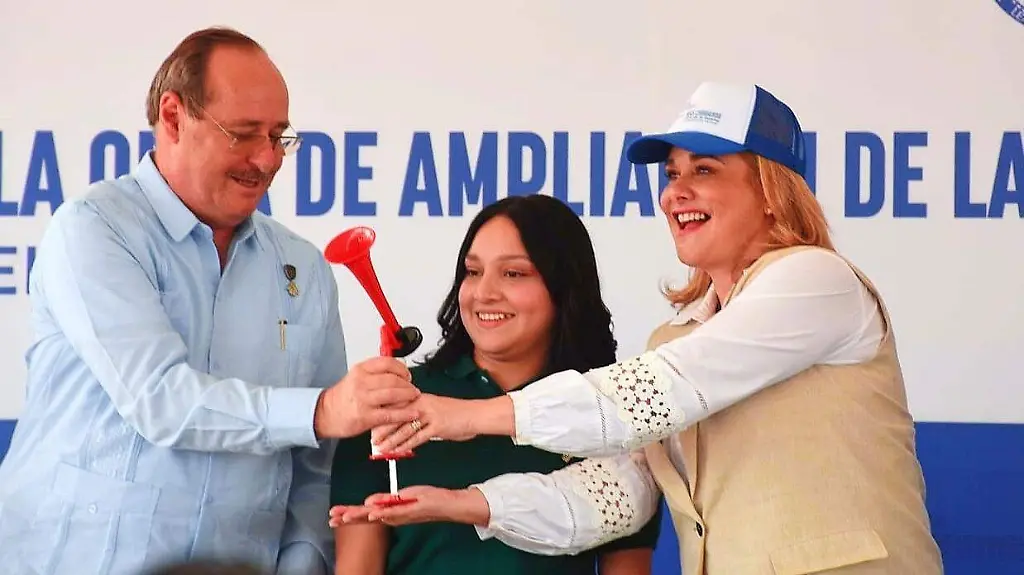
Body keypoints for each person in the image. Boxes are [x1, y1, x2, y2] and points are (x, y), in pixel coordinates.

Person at [353, 82, 945, 574]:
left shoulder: (817, 281)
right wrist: (467, 505)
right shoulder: (677, 337)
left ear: (771, 191)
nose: (674, 193)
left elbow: (655, 394)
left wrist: (465, 416)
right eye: (670, 173)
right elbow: (618, 496)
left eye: (705, 169)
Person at [0, 27, 420, 575]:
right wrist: (320, 410)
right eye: (243, 133)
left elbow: (315, 474)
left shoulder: (305, 269)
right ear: (173, 117)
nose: (266, 159)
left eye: (278, 136)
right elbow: (160, 399)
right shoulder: (96, 229)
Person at [328, 195, 664, 575]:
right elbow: (357, 566)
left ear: (564, 287)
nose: (484, 292)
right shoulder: (392, 407)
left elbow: (628, 565)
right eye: (472, 272)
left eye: (514, 273)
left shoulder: (608, 415)